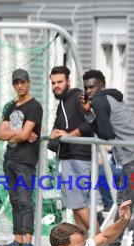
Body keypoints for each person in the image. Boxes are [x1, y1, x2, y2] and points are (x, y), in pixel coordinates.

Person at [81, 69, 134, 246]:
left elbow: (106, 134)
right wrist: (90, 114)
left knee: (125, 203)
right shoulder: (108, 98)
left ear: (101, 85)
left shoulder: (99, 101)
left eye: (92, 87)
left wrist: (89, 112)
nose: (89, 91)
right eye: (86, 87)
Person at [0, 69, 43, 246]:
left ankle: (28, 241)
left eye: (22, 82)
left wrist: (15, 135)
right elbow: (2, 134)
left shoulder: (34, 107)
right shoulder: (10, 107)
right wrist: (19, 135)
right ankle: (17, 238)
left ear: (29, 82)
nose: (20, 86)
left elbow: (25, 134)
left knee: (25, 199)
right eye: (16, 83)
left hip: (25, 160)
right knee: (14, 200)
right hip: (10, 158)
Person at [47, 66, 95, 231]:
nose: (56, 86)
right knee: (75, 206)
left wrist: (69, 135)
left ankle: (103, 242)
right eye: (53, 83)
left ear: (68, 81)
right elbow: (58, 130)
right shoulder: (63, 103)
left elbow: (91, 122)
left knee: (79, 205)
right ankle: (83, 245)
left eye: (59, 82)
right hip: (68, 158)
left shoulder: (77, 97)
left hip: (79, 158)